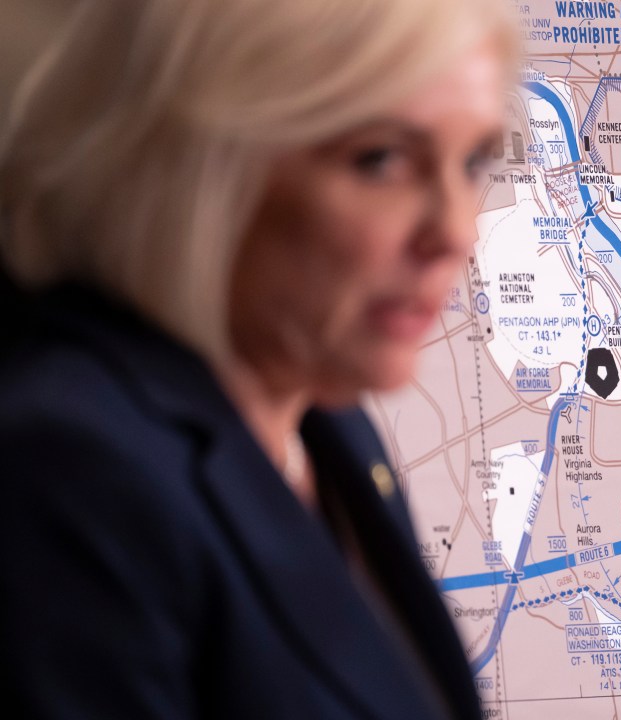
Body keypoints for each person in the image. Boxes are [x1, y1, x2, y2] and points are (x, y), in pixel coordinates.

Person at [0, 0, 513, 717]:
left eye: (474, 160)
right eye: (382, 160)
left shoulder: (323, 424)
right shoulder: (73, 469)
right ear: (200, 166)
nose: (455, 230)